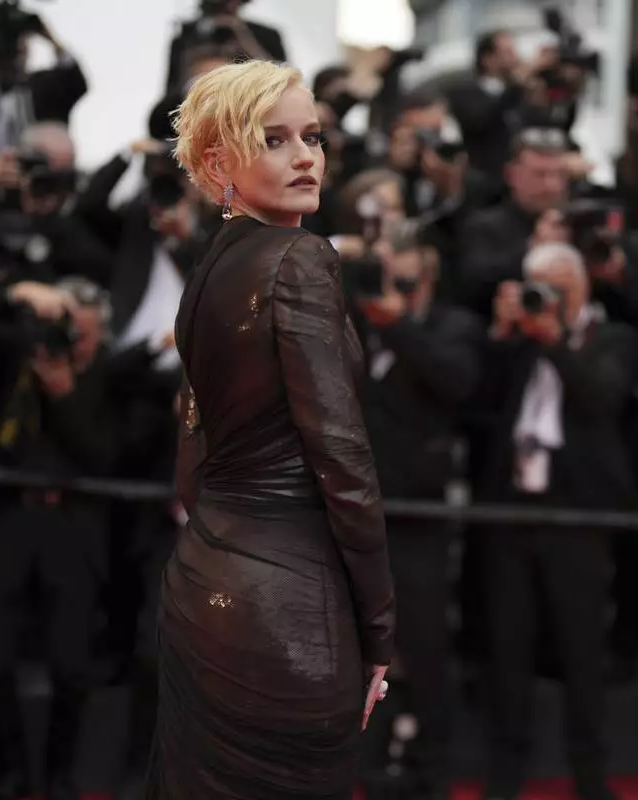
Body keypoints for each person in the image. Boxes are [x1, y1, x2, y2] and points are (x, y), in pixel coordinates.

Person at [145, 60, 395, 799]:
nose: (305, 157)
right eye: (274, 139)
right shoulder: (301, 259)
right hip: (289, 603)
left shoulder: (208, 272)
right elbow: (341, 457)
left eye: (312, 137)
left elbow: (191, 462)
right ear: (218, 163)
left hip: (201, 583)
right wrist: (378, 626)